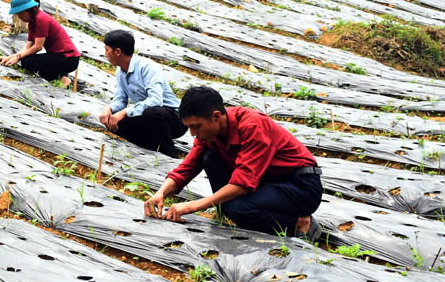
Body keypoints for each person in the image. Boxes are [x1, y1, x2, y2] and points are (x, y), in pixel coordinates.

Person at [143, 85, 323, 240]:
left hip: (301, 186)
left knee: (238, 209)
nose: (192, 134)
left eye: (195, 126)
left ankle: (301, 223)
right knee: (209, 158)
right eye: (189, 127)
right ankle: (229, 209)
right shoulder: (210, 135)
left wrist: (192, 206)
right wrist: (161, 193)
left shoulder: (253, 126)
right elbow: (187, 167)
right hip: (267, 182)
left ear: (215, 117)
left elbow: (242, 184)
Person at [98, 30, 185, 158]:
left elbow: (156, 101)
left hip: (174, 118)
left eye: (107, 50)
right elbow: (121, 100)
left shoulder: (148, 68)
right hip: (147, 115)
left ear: (117, 52)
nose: (105, 54)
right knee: (114, 122)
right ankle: (150, 145)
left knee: (152, 113)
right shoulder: (120, 70)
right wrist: (109, 109)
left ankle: (170, 153)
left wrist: (124, 112)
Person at [0, 0, 80, 86]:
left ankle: (63, 79)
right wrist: (11, 57)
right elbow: (28, 46)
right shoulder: (32, 22)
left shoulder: (41, 19)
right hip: (59, 56)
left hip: (68, 59)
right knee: (25, 59)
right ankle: (61, 74)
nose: (20, 18)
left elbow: (38, 47)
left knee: (28, 61)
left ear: (29, 10)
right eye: (18, 15)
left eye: (21, 14)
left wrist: (18, 58)